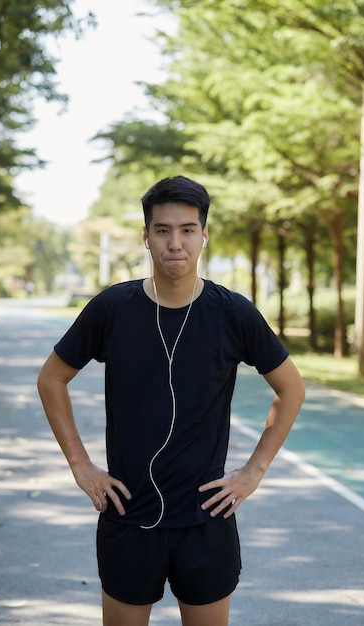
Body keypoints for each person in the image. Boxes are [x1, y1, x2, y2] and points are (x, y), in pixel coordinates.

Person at [37, 175, 305, 626]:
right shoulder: (112, 308)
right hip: (128, 514)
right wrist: (81, 466)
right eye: (162, 230)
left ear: (204, 235)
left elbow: (291, 389)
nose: (174, 243)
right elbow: (51, 379)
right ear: (146, 237)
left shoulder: (233, 313)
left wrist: (252, 472)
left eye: (186, 230)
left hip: (206, 517)